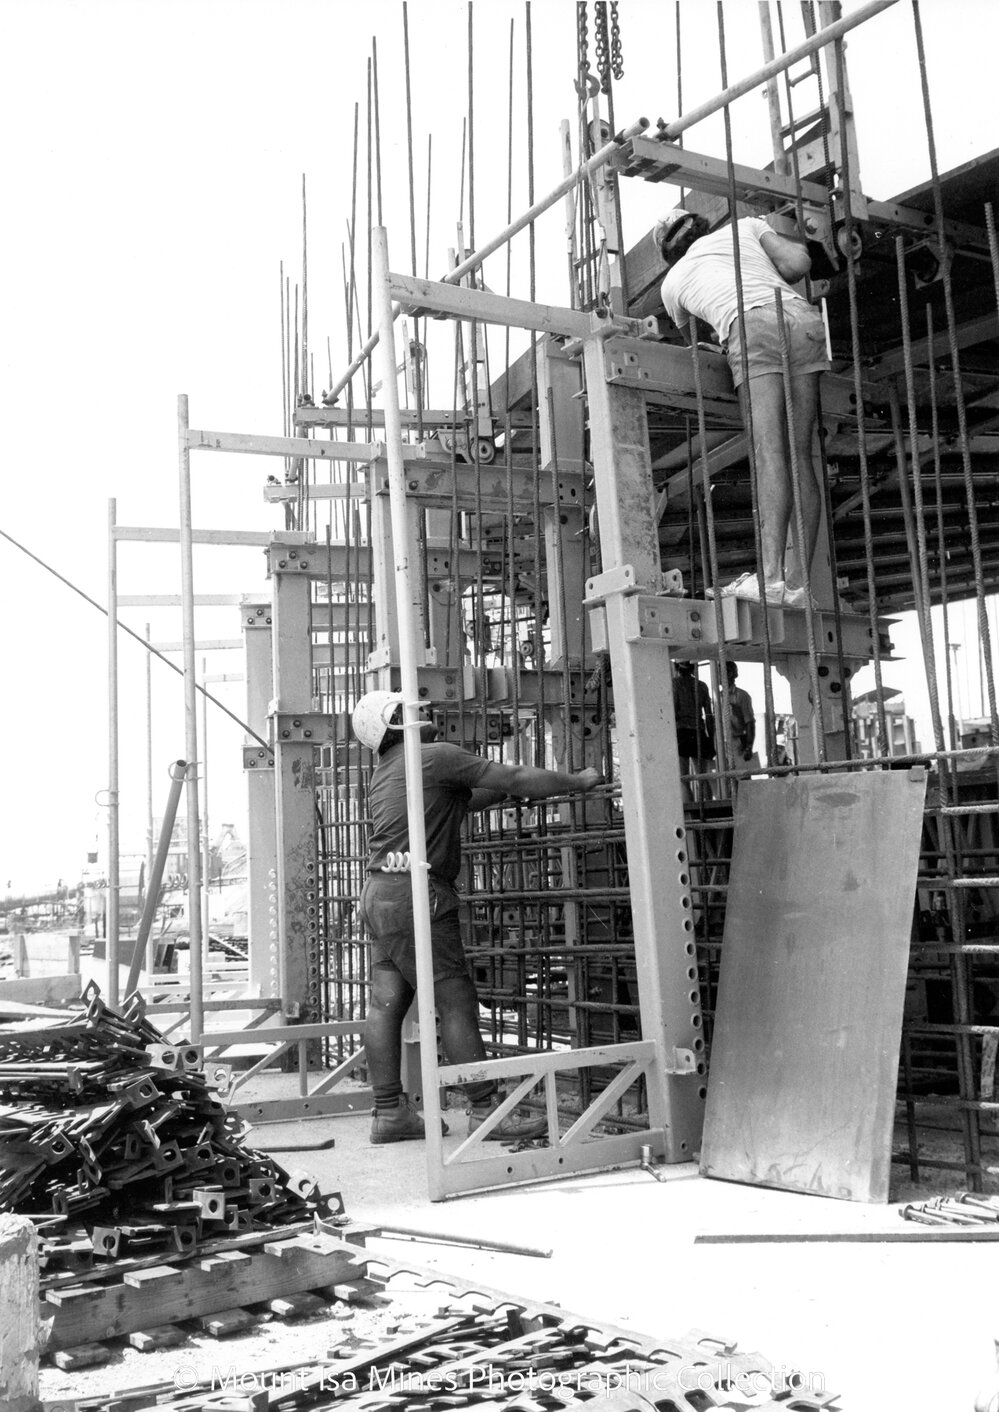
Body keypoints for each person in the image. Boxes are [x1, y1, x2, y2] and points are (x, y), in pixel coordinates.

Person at [352, 689, 603, 1145]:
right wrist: (577, 781)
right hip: (417, 895)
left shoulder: (388, 771)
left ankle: (389, 1113)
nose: (424, 712)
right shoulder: (434, 756)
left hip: (380, 893)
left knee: (385, 1004)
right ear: (393, 724)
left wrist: (506, 790)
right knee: (456, 1001)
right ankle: (487, 1109)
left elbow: (461, 802)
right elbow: (518, 774)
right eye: (410, 711)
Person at [655, 208, 830, 608]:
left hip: (750, 327)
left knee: (769, 453)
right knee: (799, 452)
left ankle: (770, 581)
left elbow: (696, 345)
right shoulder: (746, 227)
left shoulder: (672, 284)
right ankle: (799, 584)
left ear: (669, 254)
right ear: (703, 227)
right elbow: (799, 263)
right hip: (803, 319)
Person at [673, 661, 715, 801]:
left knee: (683, 778)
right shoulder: (702, 686)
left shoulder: (674, 684)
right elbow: (709, 715)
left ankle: (690, 813)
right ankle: (708, 810)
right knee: (702, 776)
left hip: (681, 732)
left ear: (677, 668)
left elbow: (673, 712)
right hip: (699, 732)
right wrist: (710, 738)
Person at [723, 661, 757, 772]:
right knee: (725, 780)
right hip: (723, 742)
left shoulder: (742, 696)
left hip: (738, 742)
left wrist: (749, 747)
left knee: (742, 778)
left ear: (729, 674)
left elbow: (750, 723)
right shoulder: (719, 696)